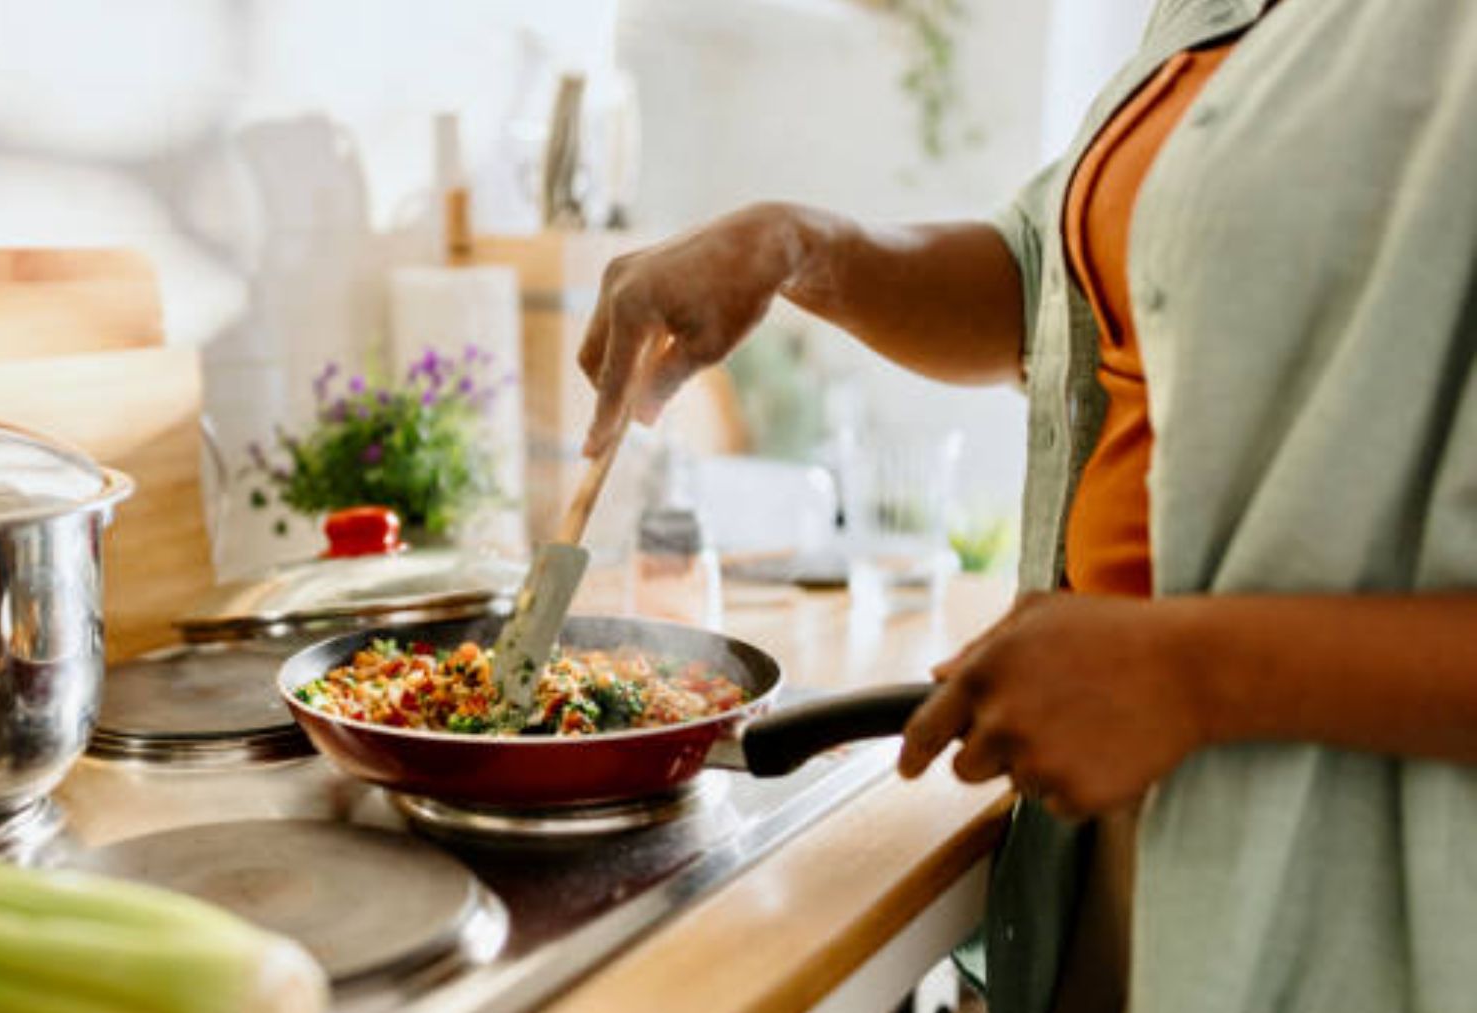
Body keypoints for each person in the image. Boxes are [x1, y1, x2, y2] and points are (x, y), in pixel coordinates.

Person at [575, 2, 1477, 1012]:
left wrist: (1194, 669)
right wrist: (798, 245)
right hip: (1118, 827)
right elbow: (1051, 280)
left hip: (1361, 887)